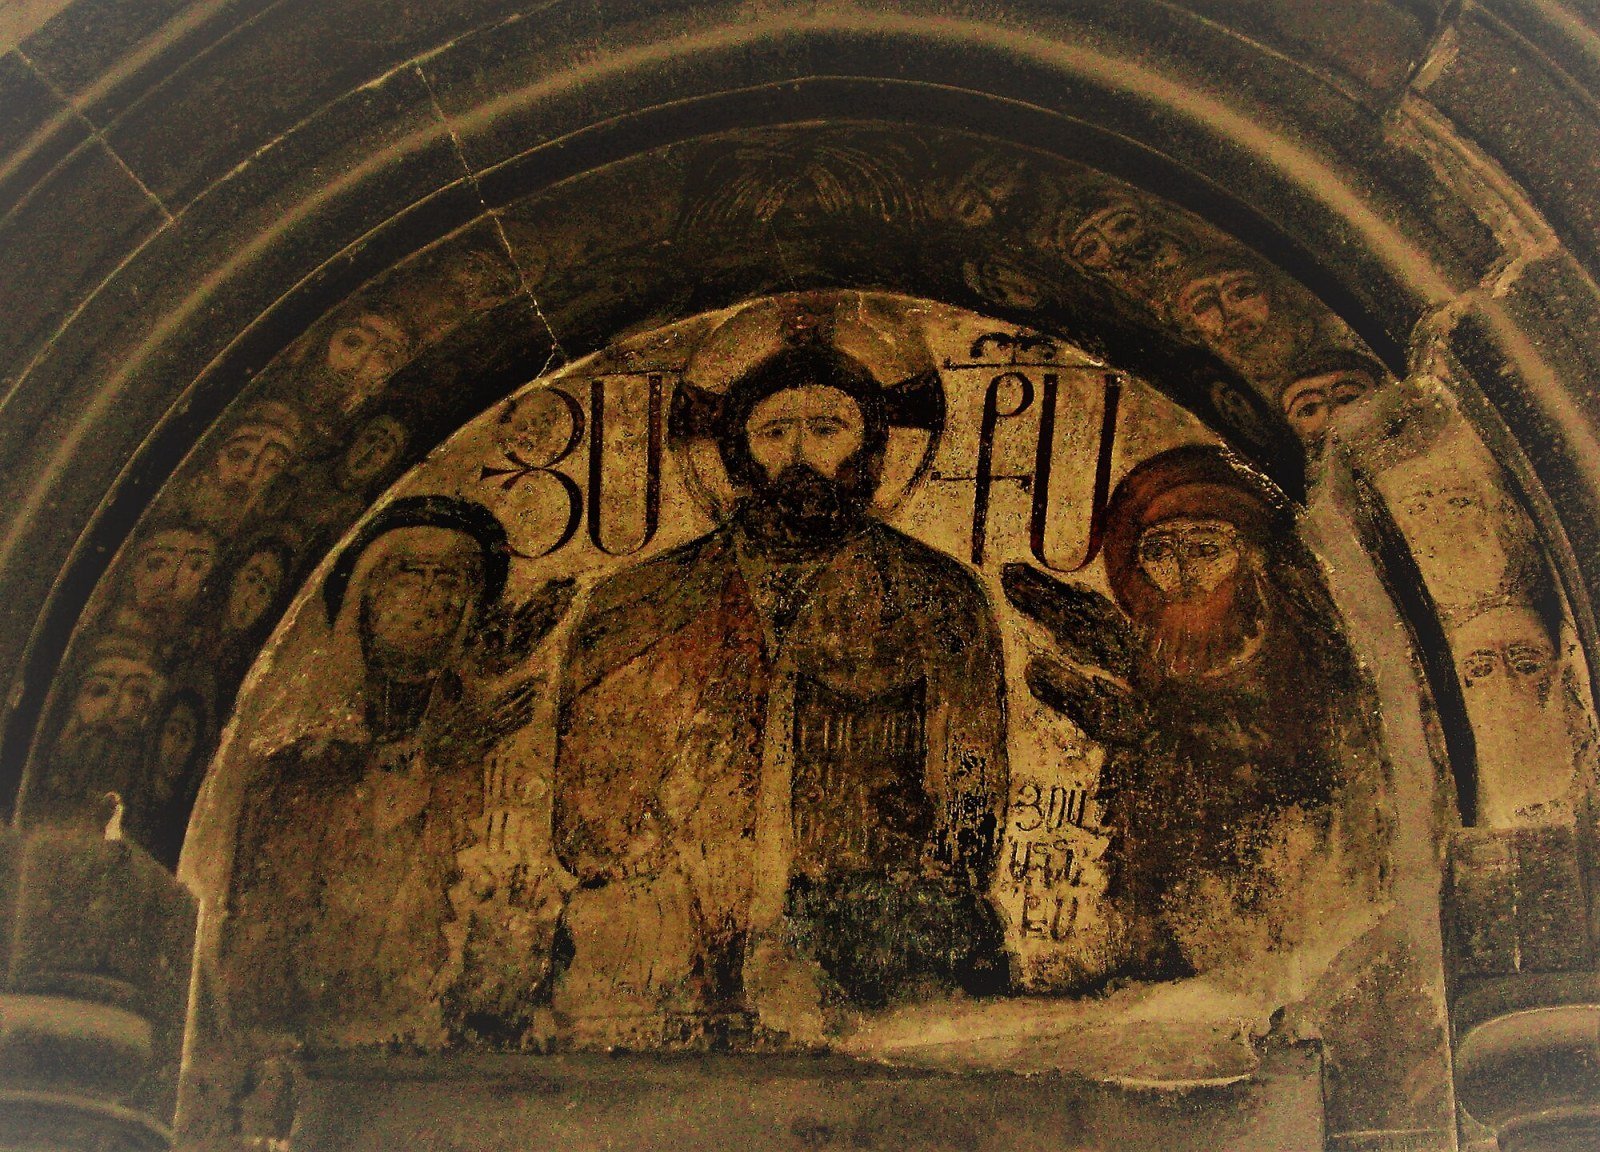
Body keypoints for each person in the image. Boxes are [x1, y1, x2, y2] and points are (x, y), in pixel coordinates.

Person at [550, 340, 1009, 1043]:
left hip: (867, 944)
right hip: (672, 945)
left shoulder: (935, 598)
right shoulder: (639, 603)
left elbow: (967, 791)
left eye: (827, 430)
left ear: (871, 448)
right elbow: (592, 818)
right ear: (738, 453)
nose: (799, 454)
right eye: (773, 432)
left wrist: (910, 897)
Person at [1004, 445, 1366, 981]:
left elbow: (1307, 762)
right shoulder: (1155, 650)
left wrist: (1159, 732)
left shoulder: (1301, 649)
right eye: (1160, 551)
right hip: (1154, 889)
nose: (1181, 572)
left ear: (1250, 555)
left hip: (1274, 900)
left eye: (1205, 548)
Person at [221, 496, 563, 1047]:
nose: (432, 595)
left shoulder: (502, 777)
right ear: (362, 596)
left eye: (451, 579)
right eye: (408, 574)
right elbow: (257, 972)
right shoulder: (291, 780)